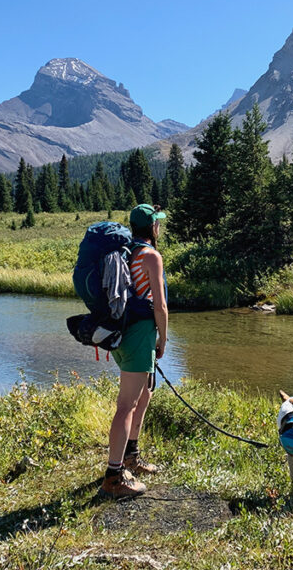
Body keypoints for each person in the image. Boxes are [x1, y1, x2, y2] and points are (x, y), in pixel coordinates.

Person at [100, 203, 169, 498]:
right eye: (158, 224)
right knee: (126, 404)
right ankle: (114, 476)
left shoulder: (124, 252)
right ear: (153, 228)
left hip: (121, 334)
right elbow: (161, 305)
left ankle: (131, 456)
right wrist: (162, 340)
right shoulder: (151, 256)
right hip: (140, 335)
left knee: (143, 396)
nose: (160, 228)